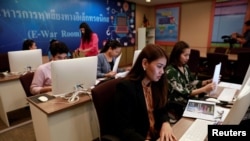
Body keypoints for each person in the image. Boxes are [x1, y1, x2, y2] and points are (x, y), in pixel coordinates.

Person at [114, 44, 177, 141]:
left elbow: (162, 109)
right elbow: (124, 129)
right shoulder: (126, 87)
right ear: (145, 63)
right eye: (159, 66)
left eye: (164, 67)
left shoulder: (156, 83)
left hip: (157, 135)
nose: (162, 72)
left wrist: (165, 123)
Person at [166, 41, 215, 117]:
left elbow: (191, 82)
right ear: (177, 55)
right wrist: (204, 89)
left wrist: (206, 82)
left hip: (189, 100)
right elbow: (184, 92)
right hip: (179, 104)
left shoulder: (185, 66)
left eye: (189, 55)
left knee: (211, 108)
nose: (188, 58)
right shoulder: (170, 71)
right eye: (185, 55)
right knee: (208, 112)